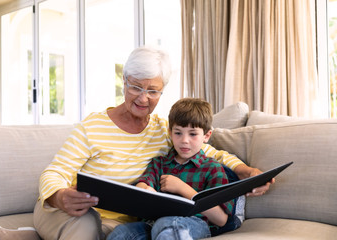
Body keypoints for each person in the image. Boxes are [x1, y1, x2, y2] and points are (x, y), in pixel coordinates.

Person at [33, 45, 272, 240]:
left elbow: (211, 153)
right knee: (86, 225)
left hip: (122, 225)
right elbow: (54, 172)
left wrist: (246, 172)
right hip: (71, 211)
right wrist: (59, 196)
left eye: (152, 91)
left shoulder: (163, 130)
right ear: (124, 82)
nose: (143, 98)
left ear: (162, 91)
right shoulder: (91, 127)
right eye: (136, 86)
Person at [107, 98, 239, 240]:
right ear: (170, 133)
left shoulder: (213, 169)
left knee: (169, 225)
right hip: (152, 223)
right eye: (178, 133)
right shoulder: (159, 163)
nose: (184, 140)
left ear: (206, 136)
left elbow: (221, 219)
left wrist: (182, 188)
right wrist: (144, 190)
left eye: (192, 134)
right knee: (122, 233)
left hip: (192, 224)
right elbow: (144, 183)